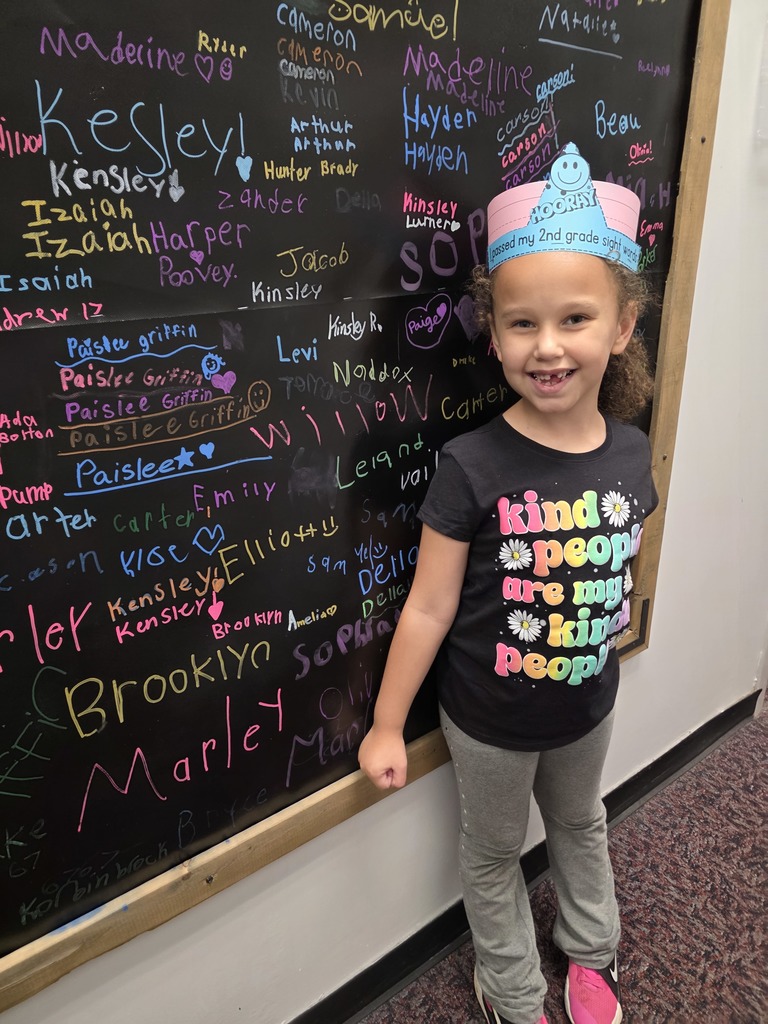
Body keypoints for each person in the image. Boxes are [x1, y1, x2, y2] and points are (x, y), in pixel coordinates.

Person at [358, 143, 658, 1024]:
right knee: (491, 856)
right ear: (493, 336)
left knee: (582, 824)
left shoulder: (633, 449)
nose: (549, 346)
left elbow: (618, 560)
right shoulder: (471, 464)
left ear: (624, 325)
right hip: (487, 718)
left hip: (586, 704)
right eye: (522, 324)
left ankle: (592, 955)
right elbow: (429, 603)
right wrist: (384, 723)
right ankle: (514, 985)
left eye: (575, 319)